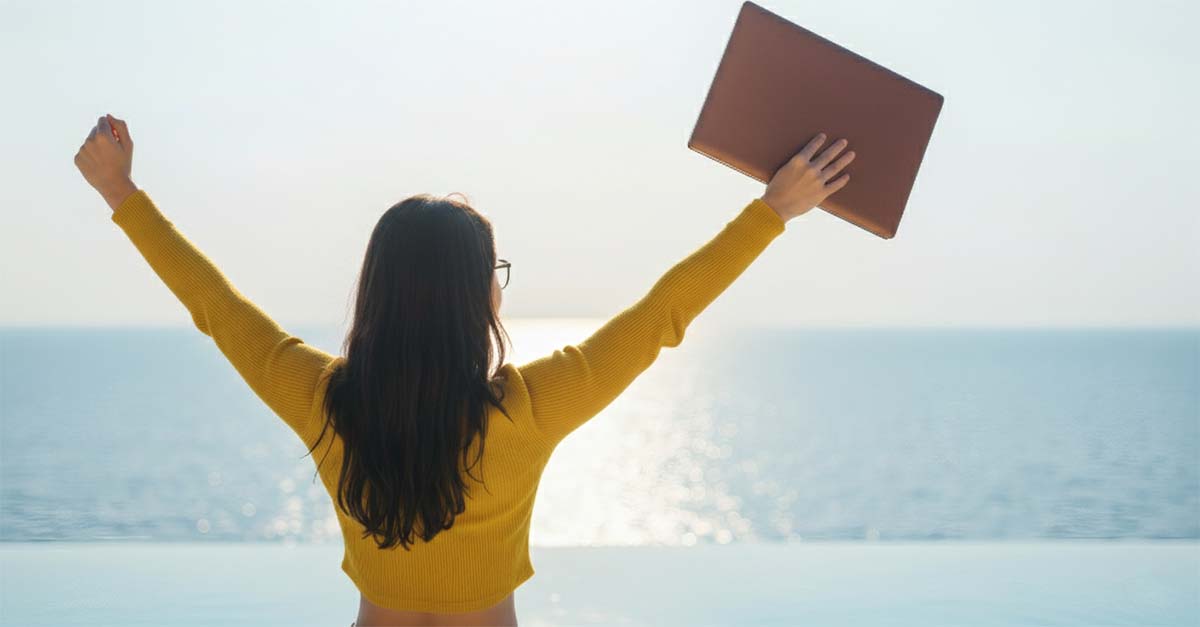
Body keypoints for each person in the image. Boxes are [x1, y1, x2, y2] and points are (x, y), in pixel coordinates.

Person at [74, 114, 853, 626]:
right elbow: (661, 315)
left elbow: (213, 302)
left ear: (378, 289)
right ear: (478, 295)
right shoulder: (533, 408)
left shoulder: (318, 398)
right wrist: (773, 210)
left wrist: (120, 190)